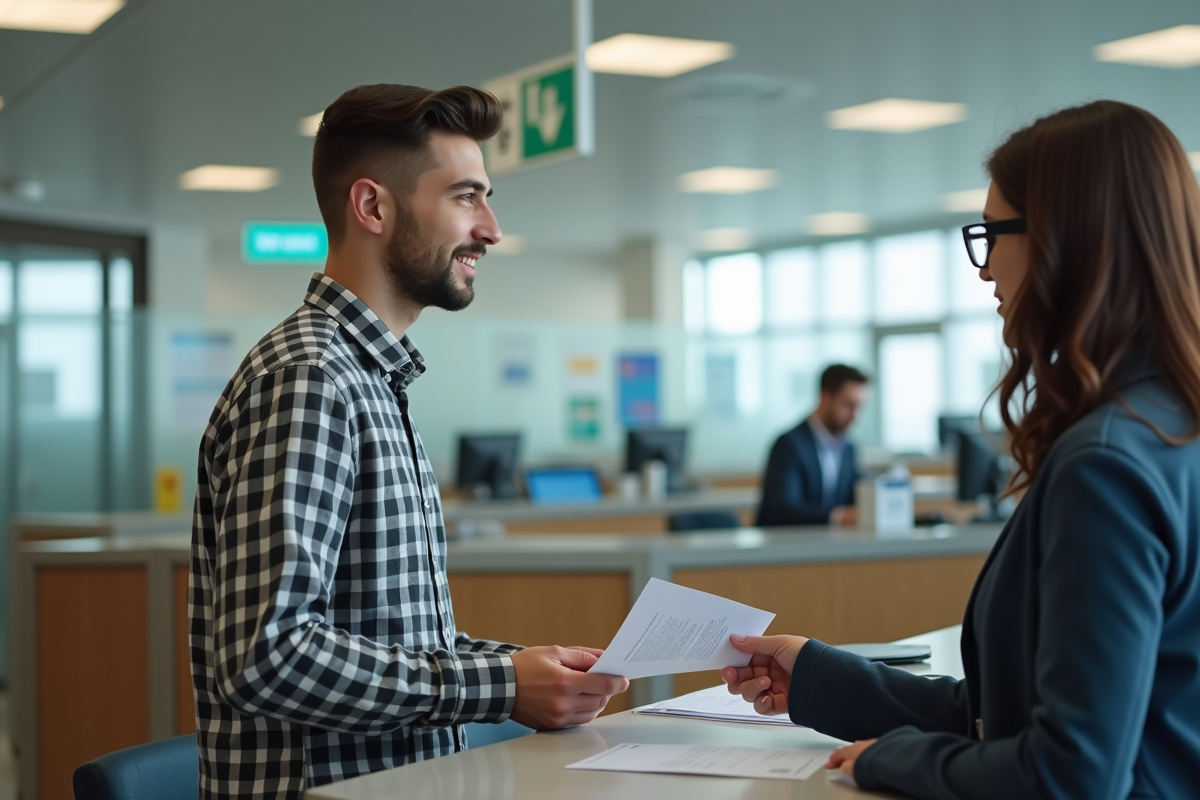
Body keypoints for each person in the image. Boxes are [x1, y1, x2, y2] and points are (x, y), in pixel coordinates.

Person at [723, 100, 1200, 798]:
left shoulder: (1107, 464)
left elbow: (1069, 773)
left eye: (992, 235)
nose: (983, 270)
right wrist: (821, 676)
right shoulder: (1170, 428)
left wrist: (886, 762)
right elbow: (1007, 716)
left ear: (1064, 240)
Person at [188, 84, 627, 799]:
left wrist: (523, 670)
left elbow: (384, 641)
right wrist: (495, 685)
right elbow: (265, 657)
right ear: (373, 208)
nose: (491, 229)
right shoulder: (312, 378)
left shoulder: (371, 377)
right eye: (465, 197)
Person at [756, 364, 868, 526]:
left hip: (829, 546)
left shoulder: (848, 449)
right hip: (783, 546)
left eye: (859, 407)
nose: (855, 416)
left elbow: (852, 495)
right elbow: (784, 509)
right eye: (848, 405)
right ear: (825, 397)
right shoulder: (789, 445)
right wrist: (840, 516)